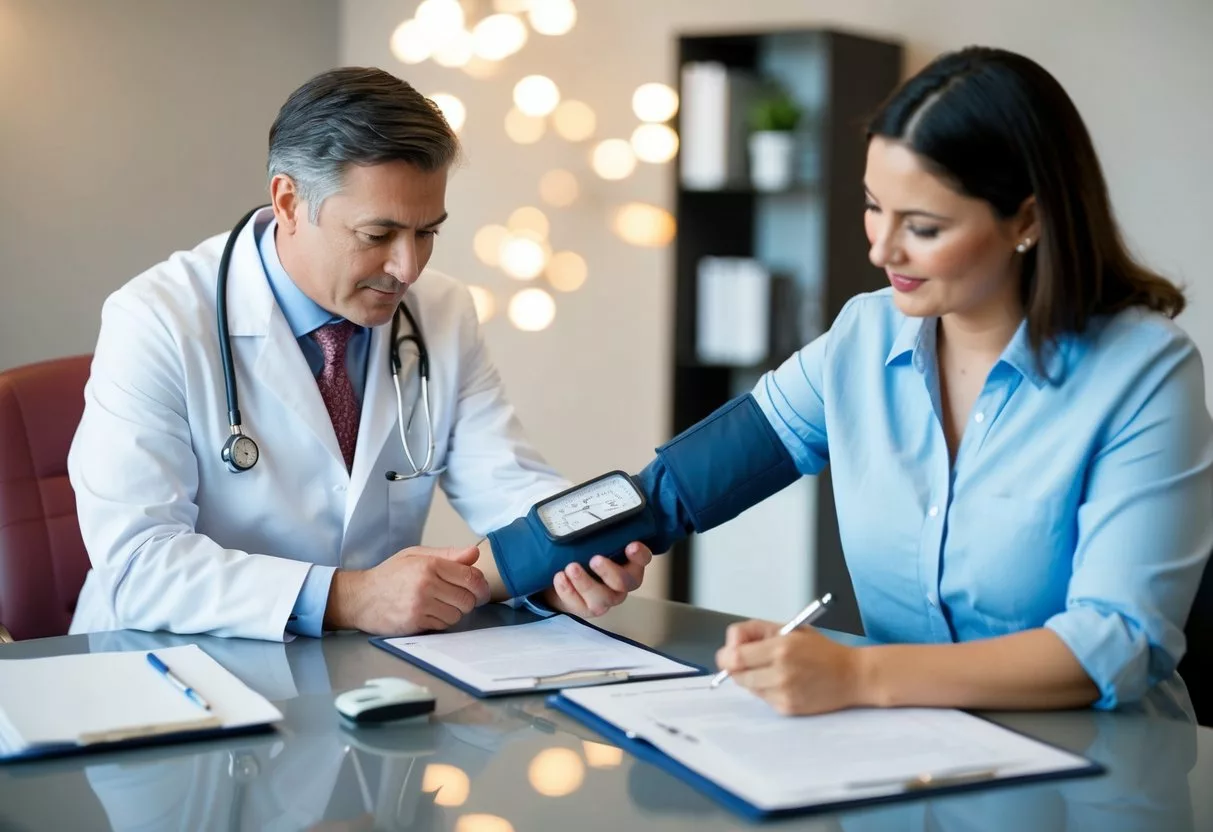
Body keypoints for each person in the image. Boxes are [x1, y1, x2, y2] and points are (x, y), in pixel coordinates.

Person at [707, 46, 1213, 715]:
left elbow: (1115, 641)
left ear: (1026, 220)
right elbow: (677, 489)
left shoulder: (1145, 370)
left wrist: (857, 676)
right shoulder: (862, 336)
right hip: (900, 770)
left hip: (1091, 790)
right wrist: (532, 566)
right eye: (871, 207)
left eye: (921, 226)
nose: (881, 249)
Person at [67, 67, 651, 641]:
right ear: (290, 202)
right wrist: (349, 596)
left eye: (427, 233)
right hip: (164, 674)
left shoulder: (442, 311)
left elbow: (506, 483)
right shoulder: (155, 319)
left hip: (359, 679)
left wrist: (561, 557)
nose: (409, 268)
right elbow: (136, 563)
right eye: (378, 236)